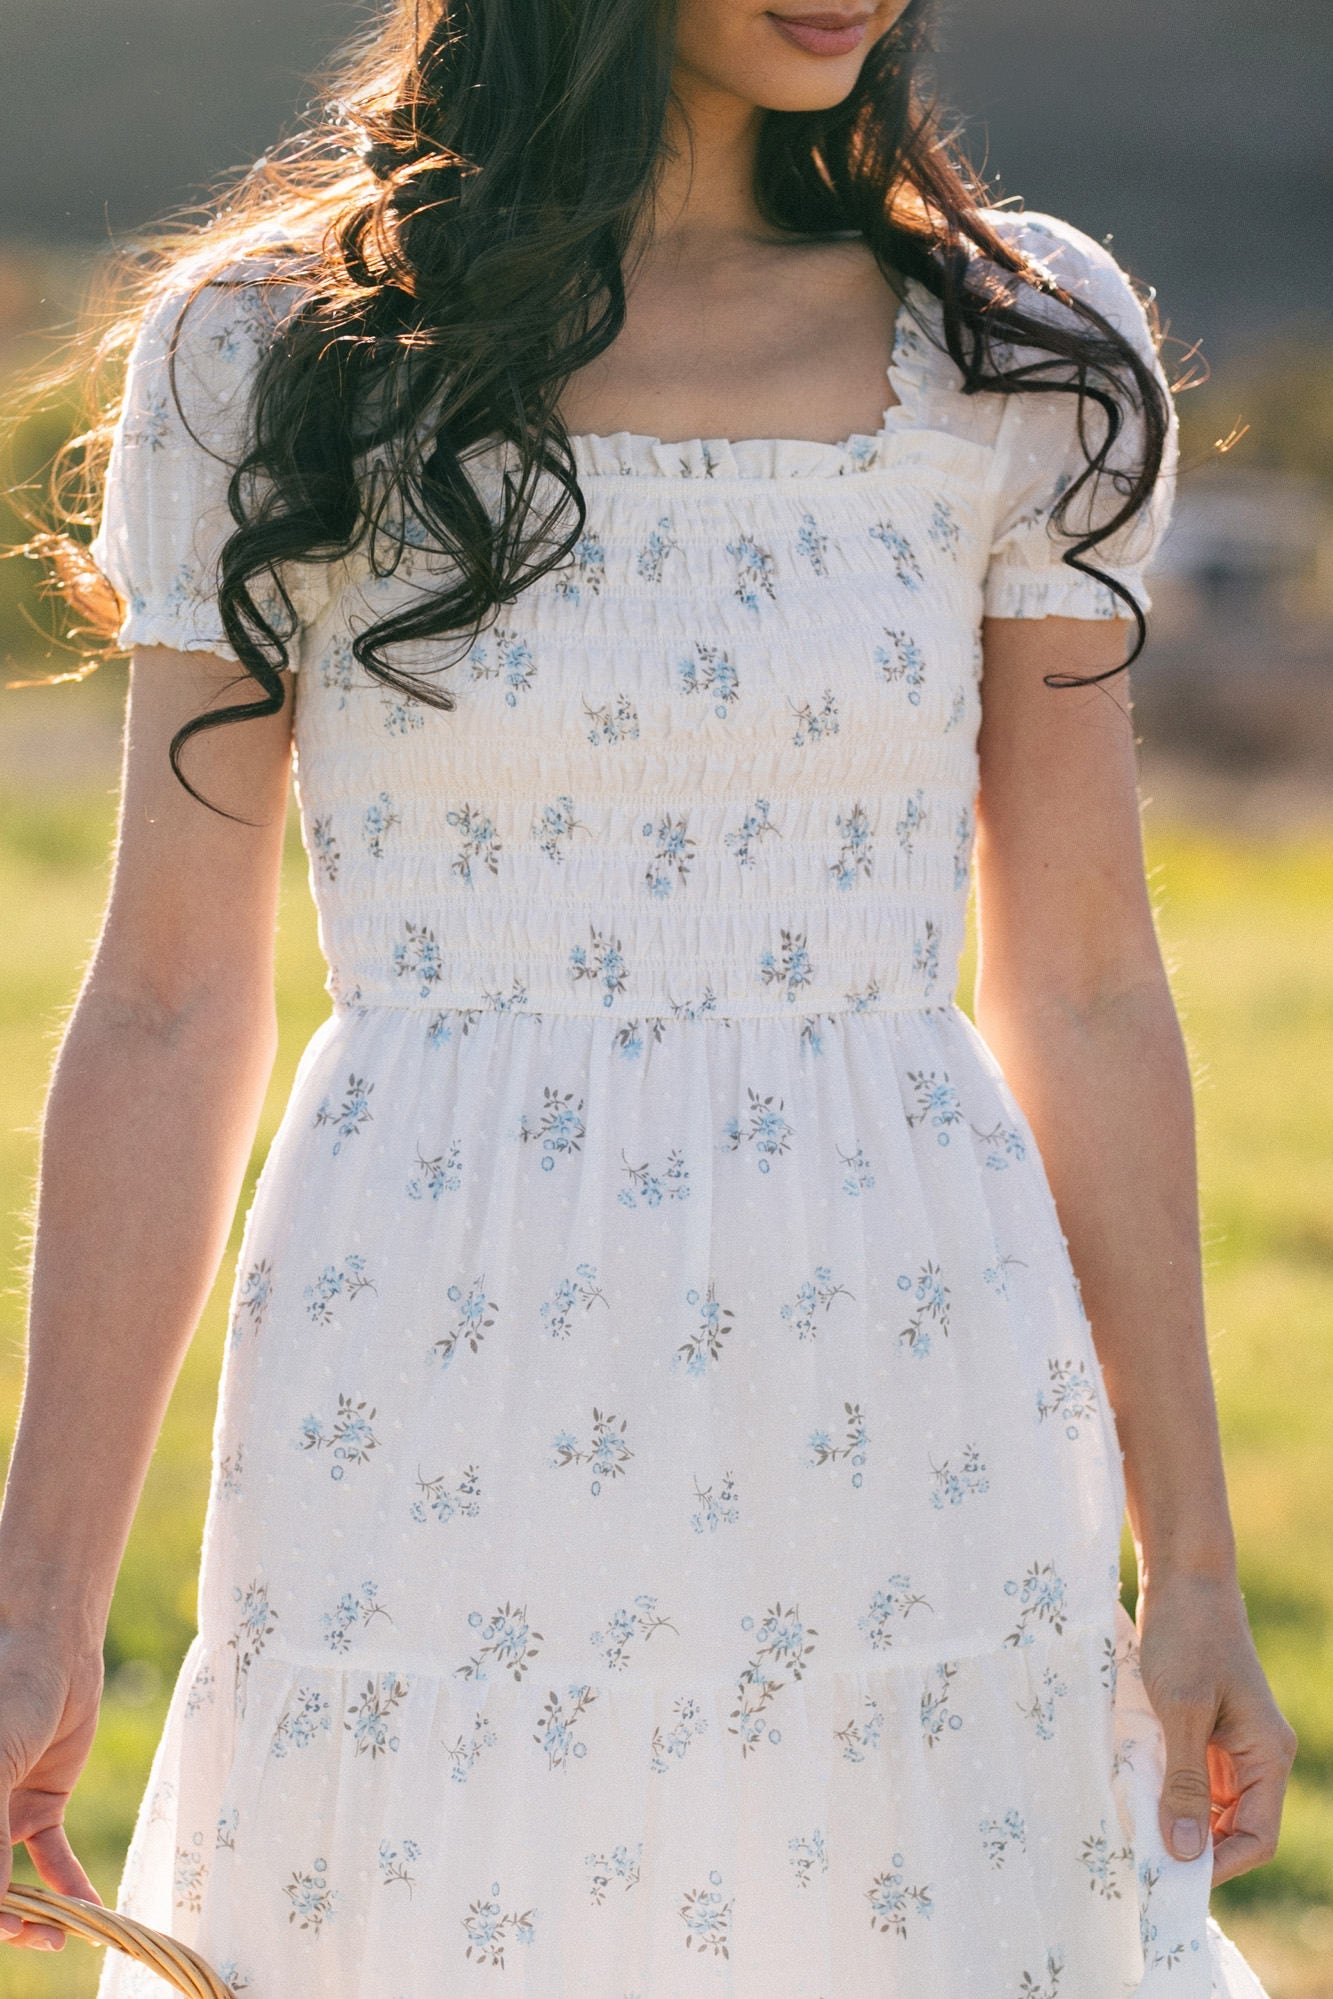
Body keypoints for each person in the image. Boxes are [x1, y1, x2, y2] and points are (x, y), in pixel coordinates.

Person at [0, 1, 1296, 1992]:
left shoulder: (1019, 340)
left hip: (903, 1373)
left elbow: (1093, 981)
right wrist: (38, 1594)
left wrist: (1188, 1564)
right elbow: (170, 1004)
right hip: (424, 1370)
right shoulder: (264, 355)